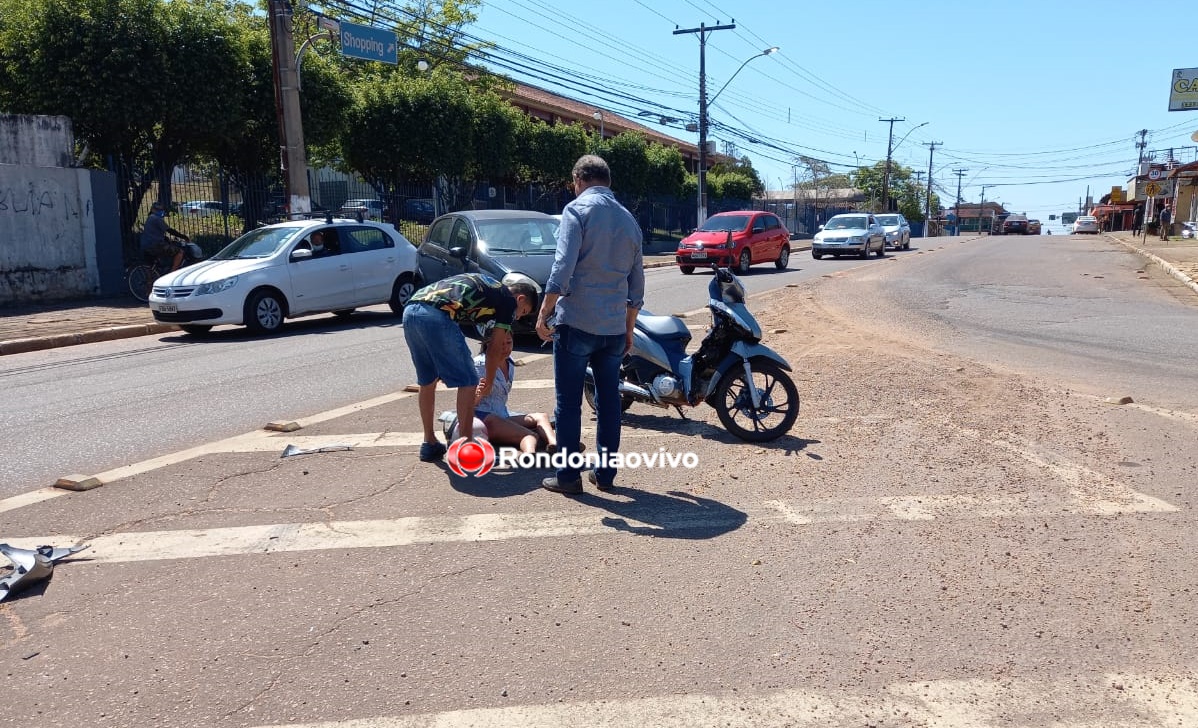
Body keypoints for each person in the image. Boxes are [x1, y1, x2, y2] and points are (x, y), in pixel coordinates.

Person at [536, 154, 644, 494]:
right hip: (613, 328)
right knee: (609, 402)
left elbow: (562, 267)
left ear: (578, 180)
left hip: (577, 323)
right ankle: (606, 475)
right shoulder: (630, 221)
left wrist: (544, 313)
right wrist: (628, 328)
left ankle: (568, 478)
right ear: (607, 181)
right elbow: (636, 286)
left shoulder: (576, 211)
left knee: (568, 404)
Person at [403, 272, 538, 463]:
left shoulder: (491, 288)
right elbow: (494, 349)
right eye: (523, 311)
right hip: (438, 315)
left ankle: (429, 443)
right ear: (520, 298)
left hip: (411, 310)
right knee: (468, 381)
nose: (518, 317)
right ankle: (465, 447)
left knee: (428, 380)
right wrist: (489, 383)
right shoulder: (508, 302)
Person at [470, 329, 558, 454]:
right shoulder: (479, 364)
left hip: (502, 415)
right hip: (484, 418)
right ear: (489, 344)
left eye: (509, 343)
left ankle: (554, 445)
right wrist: (479, 394)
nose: (505, 348)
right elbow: (467, 405)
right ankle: (529, 455)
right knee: (530, 436)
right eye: (501, 344)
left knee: (541, 417)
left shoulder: (509, 362)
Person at [139, 202, 190, 271]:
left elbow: (154, 232)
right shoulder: (157, 219)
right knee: (179, 252)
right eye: (158, 210)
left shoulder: (150, 218)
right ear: (153, 210)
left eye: (161, 209)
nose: (161, 211)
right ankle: (172, 272)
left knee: (151, 265)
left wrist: (166, 238)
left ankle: (149, 279)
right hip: (155, 245)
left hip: (146, 245)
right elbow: (169, 230)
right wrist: (183, 236)